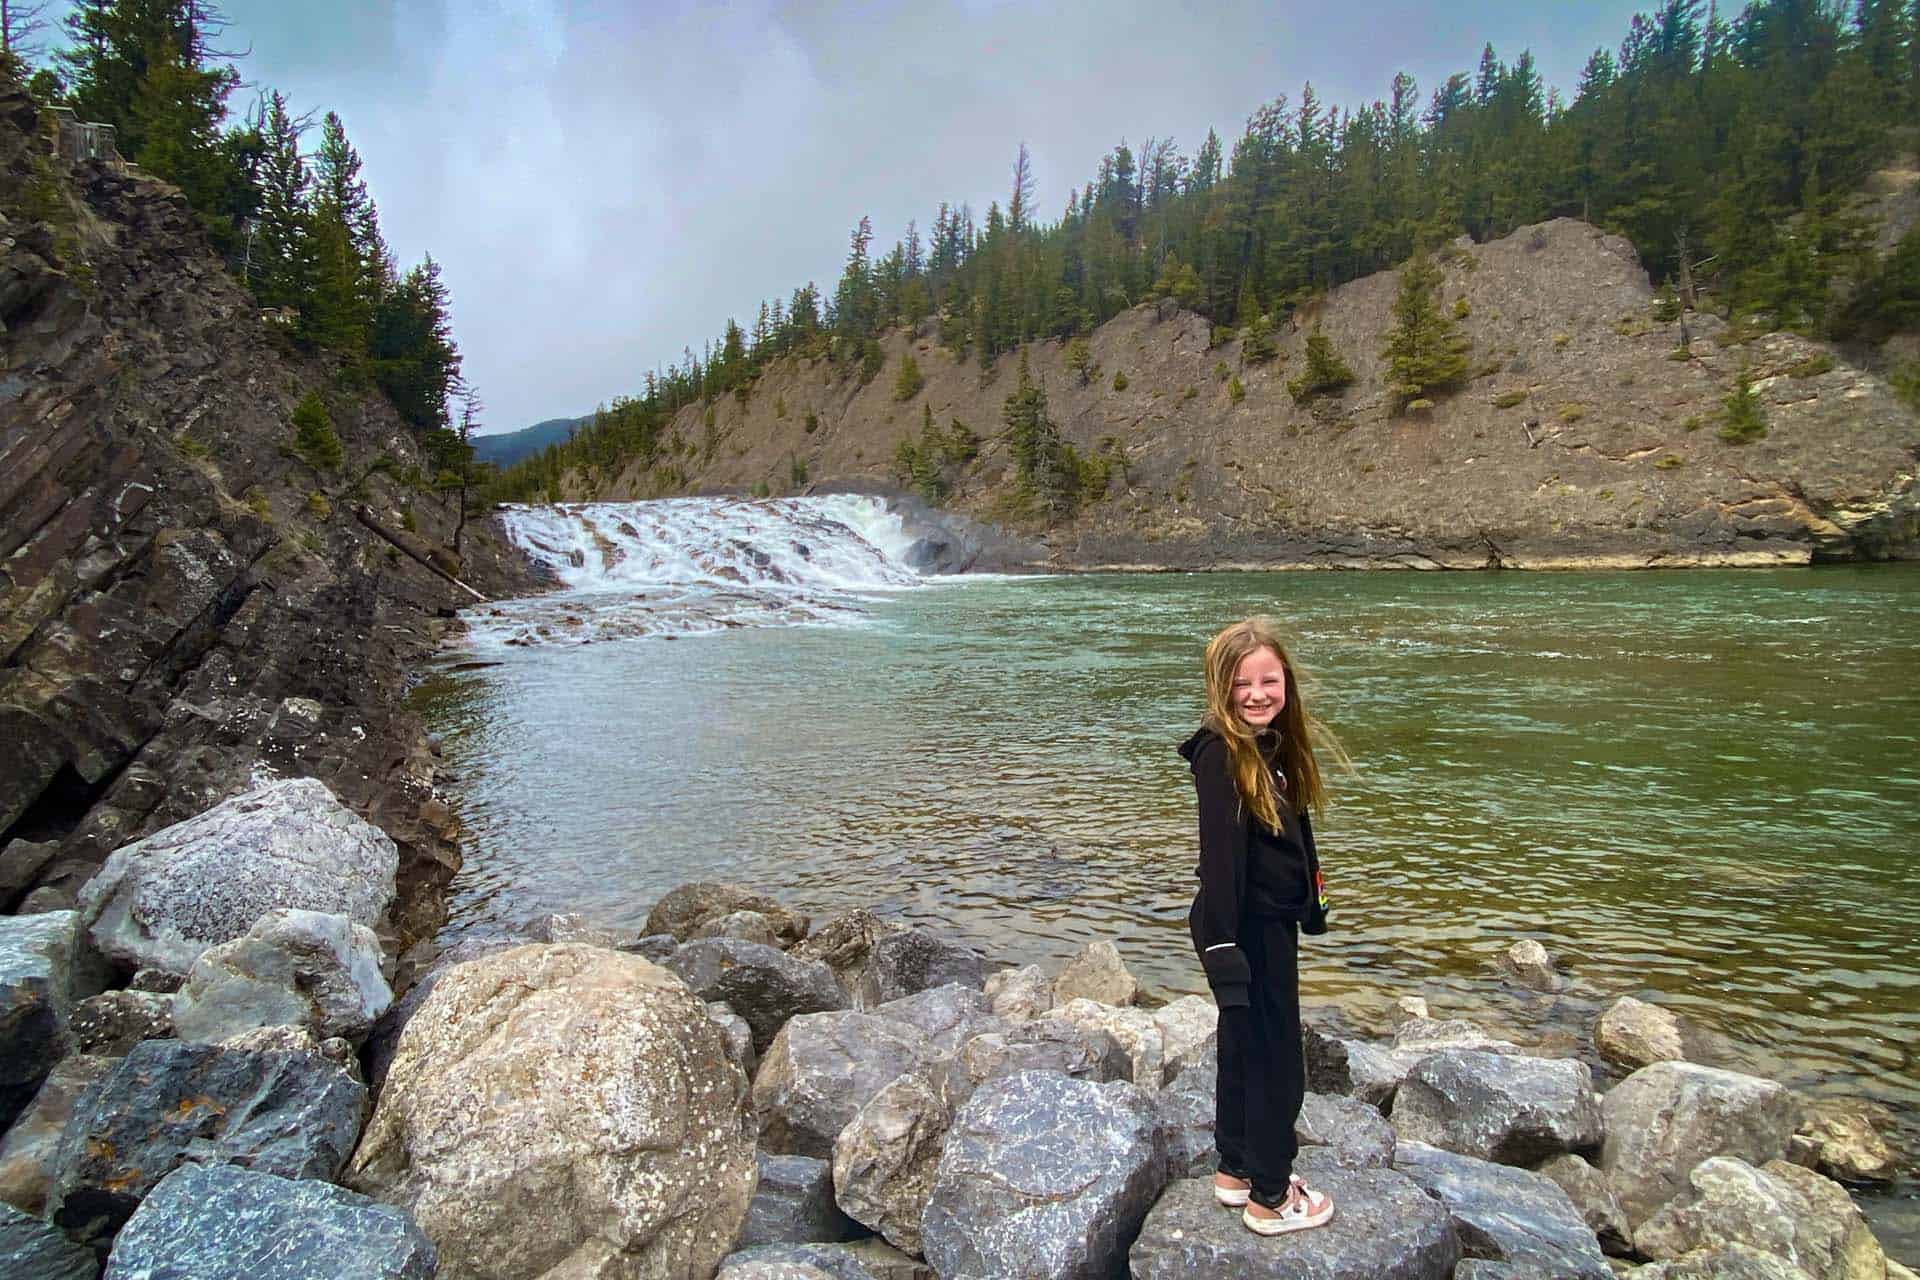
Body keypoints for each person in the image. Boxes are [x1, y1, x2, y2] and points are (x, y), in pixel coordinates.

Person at [1179, 616, 1337, 1237]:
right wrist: (1224, 953)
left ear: (1287, 683)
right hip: (1243, 930)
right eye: (1242, 683)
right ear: (1221, 688)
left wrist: (1314, 902)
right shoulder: (1221, 755)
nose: (1257, 694)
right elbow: (1220, 863)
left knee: (1244, 1047)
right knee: (1276, 1061)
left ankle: (1236, 1168)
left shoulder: (1269, 750)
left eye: (1269, 680)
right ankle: (1272, 1196)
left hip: (1268, 923)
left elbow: (1295, 837)